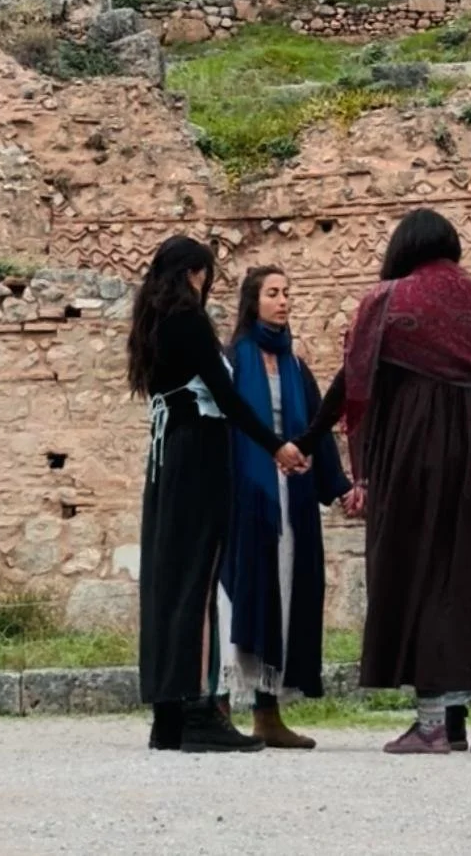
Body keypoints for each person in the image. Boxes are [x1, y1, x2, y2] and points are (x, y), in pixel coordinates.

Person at [298, 209, 471, 755]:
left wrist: (306, 442)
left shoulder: (389, 301)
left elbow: (350, 383)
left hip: (417, 452)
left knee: (420, 573)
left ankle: (430, 725)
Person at [127, 235, 307, 753]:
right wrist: (276, 445)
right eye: (205, 274)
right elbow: (226, 396)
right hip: (198, 456)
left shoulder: (153, 325)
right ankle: (199, 708)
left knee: (168, 579)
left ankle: (168, 715)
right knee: (199, 580)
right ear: (193, 274)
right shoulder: (189, 322)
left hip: (167, 458)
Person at [217, 265, 356, 750]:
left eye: (287, 293)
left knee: (285, 591)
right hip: (248, 496)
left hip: (291, 496)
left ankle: (268, 710)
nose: (283, 301)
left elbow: (318, 425)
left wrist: (339, 486)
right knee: (240, 596)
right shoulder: (234, 359)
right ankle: (221, 705)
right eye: (273, 293)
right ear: (252, 301)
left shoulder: (296, 366)